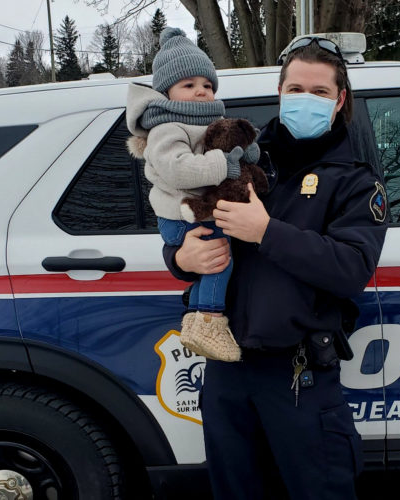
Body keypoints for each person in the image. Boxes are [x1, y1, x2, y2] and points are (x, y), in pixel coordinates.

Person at [162, 37, 388, 499]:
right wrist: (181, 259)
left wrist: (266, 231)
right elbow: (185, 214)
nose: (306, 98)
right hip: (226, 370)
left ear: (340, 99)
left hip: (298, 374)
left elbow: (351, 268)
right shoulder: (233, 154)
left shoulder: (354, 179)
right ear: (279, 92)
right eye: (296, 88)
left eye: (320, 92)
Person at [126, 27, 259, 362]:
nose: (202, 92)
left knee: (217, 258)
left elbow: (232, 147)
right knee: (219, 260)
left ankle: (200, 319)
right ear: (166, 92)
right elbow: (178, 169)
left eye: (208, 85)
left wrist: (246, 151)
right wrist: (224, 164)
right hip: (181, 216)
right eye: (189, 85)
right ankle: (209, 320)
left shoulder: (204, 122)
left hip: (198, 211)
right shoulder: (168, 128)